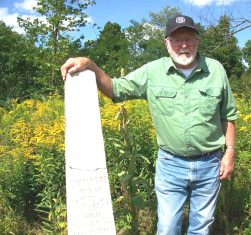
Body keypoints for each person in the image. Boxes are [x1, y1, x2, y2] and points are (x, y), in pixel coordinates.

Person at [61, 15, 237, 235]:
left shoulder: (216, 70)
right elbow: (115, 89)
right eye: (176, 39)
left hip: (210, 163)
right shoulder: (152, 71)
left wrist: (229, 152)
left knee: (201, 227)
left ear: (198, 40)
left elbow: (228, 114)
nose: (183, 45)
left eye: (189, 39)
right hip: (171, 164)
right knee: (166, 227)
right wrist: (91, 66)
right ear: (166, 43)